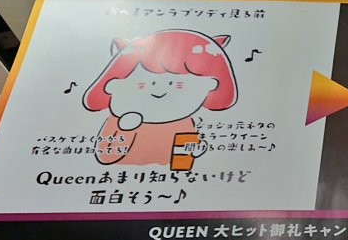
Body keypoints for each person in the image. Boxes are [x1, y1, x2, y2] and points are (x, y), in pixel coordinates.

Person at [83, 29, 238, 168]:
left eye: (177, 84)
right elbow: (105, 157)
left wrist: (194, 149)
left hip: (173, 184)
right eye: (143, 84)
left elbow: (181, 163)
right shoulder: (119, 120)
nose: (160, 90)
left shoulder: (183, 121)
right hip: (119, 179)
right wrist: (125, 129)